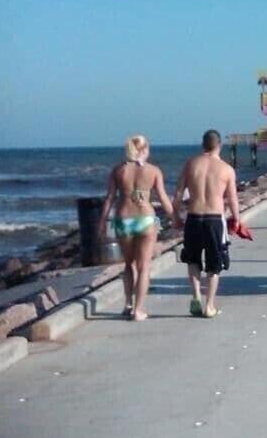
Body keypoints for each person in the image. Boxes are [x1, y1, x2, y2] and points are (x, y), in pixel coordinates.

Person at [97, 134, 175, 321]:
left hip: (123, 220)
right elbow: (163, 197)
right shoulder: (153, 171)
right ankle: (138, 310)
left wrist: (101, 222)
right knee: (144, 266)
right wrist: (175, 218)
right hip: (146, 219)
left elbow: (109, 198)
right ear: (143, 149)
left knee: (128, 264)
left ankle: (128, 304)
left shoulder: (118, 170)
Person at [174, 129, 240, 318]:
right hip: (214, 219)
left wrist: (175, 217)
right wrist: (237, 219)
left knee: (192, 260)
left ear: (202, 145)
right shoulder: (226, 169)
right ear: (219, 145)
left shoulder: (190, 164)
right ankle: (209, 305)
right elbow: (233, 199)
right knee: (214, 263)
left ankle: (196, 297)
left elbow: (178, 194)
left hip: (194, 217)